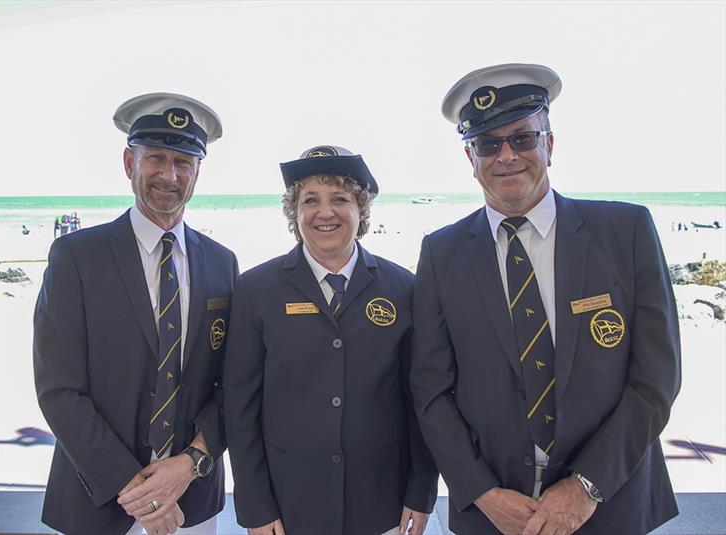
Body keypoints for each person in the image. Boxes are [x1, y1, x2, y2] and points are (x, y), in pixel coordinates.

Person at [410, 64, 681, 535]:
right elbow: (430, 391)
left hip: (609, 504)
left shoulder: (626, 232)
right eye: (488, 145)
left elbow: (656, 379)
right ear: (470, 159)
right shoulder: (441, 252)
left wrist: (585, 487)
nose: (507, 156)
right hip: (496, 514)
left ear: (549, 145)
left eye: (522, 138)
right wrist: (482, 494)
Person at [34, 92, 238, 535]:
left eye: (184, 161)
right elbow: (59, 390)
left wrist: (190, 464)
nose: (170, 174)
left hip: (193, 500)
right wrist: (143, 495)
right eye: (157, 158)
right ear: (130, 163)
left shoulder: (224, 263)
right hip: (100, 498)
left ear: (198, 172)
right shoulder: (76, 257)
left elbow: (232, 384)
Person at [223, 146, 438, 535]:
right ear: (294, 213)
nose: (325, 212)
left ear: (362, 210)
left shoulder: (404, 289)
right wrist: (255, 506)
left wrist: (421, 491)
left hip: (382, 501)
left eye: (340, 198)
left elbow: (421, 399)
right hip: (290, 505)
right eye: (310, 200)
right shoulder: (255, 289)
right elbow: (240, 409)